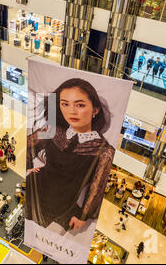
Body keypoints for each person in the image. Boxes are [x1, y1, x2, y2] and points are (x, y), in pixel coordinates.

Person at [25, 78, 115, 233]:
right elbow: (27, 146)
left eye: (80, 105)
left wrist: (83, 215)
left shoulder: (104, 150)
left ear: (95, 110)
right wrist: (28, 169)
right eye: (65, 104)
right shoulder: (52, 130)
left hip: (63, 208)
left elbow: (97, 188)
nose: (71, 111)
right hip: (34, 188)